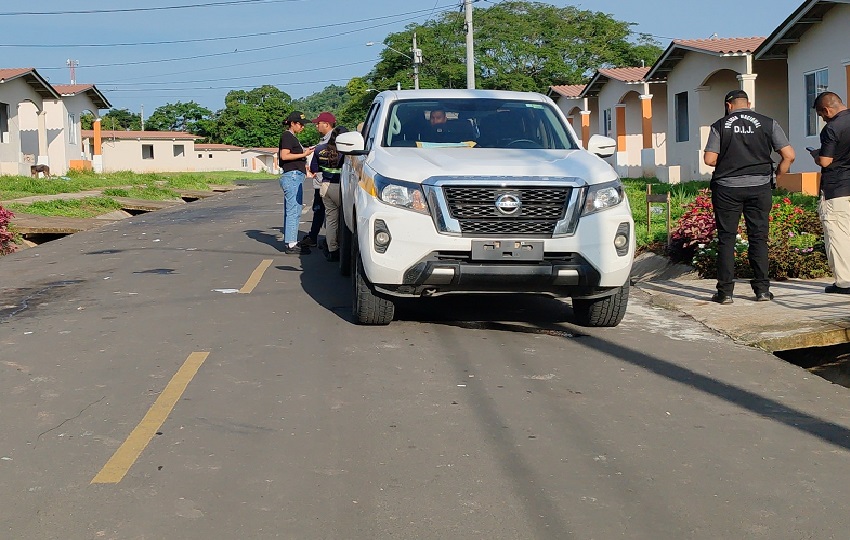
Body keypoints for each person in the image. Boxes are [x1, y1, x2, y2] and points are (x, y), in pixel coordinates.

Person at [703, 89, 795, 304]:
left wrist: (729, 161)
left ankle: (725, 293)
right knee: (758, 237)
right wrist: (778, 175)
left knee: (726, 239)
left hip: (727, 188)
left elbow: (709, 159)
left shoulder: (719, 125)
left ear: (728, 105)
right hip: (760, 187)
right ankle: (762, 290)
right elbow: (789, 155)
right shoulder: (768, 122)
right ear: (748, 103)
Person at [810, 91, 850, 294]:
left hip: (837, 188)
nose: (822, 118)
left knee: (837, 235)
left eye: (820, 114)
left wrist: (817, 155)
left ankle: (844, 283)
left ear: (827, 109)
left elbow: (826, 160)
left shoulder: (832, 128)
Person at [277, 111, 315, 255]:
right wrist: (304, 154)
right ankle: (291, 244)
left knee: (293, 209)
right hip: (292, 176)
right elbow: (284, 155)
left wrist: (303, 161)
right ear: (292, 123)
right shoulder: (287, 135)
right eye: (300, 124)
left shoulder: (292, 137)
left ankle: (291, 240)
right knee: (294, 210)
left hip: (294, 175)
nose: (302, 127)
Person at [310, 126, 348, 262]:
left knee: (331, 220)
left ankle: (332, 250)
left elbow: (314, 169)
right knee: (345, 221)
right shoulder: (347, 152)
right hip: (343, 188)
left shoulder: (319, 150)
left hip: (325, 187)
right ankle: (344, 248)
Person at [302, 111, 337, 248]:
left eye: (318, 123)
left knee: (323, 212)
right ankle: (327, 240)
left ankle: (319, 239)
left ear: (327, 124)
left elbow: (315, 167)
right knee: (327, 213)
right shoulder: (327, 139)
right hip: (327, 181)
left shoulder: (329, 142)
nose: (316, 126)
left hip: (325, 182)